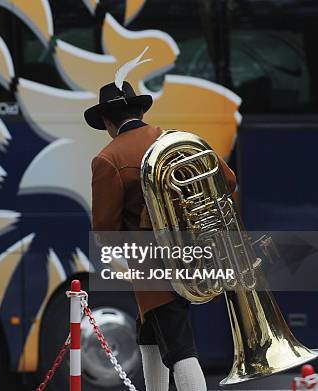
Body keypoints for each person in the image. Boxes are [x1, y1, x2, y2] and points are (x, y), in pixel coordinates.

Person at [84, 80, 237, 391]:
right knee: (150, 330)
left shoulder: (107, 159)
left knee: (179, 346)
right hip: (192, 253)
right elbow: (228, 181)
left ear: (107, 122)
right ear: (140, 111)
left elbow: (104, 232)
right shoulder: (177, 140)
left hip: (151, 261)